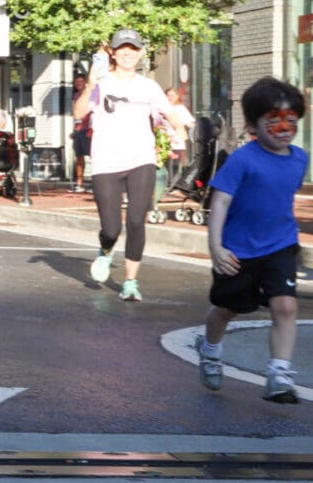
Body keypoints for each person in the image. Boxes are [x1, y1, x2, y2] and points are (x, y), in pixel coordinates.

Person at [194, 78, 310, 401]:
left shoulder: (300, 159)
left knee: (286, 306)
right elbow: (220, 202)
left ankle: (279, 375)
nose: (284, 128)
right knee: (227, 308)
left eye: (291, 120)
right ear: (253, 125)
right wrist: (216, 247)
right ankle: (210, 350)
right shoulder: (243, 160)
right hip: (238, 249)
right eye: (273, 121)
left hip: (281, 245)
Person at [74, 28, 178, 302]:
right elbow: (79, 112)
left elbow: (168, 113)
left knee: (136, 220)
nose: (128, 53)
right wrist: (90, 85)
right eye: (122, 49)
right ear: (113, 53)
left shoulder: (149, 87)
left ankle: (130, 282)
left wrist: (178, 129)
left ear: (141, 53)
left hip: (140, 160)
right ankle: (105, 251)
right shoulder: (102, 83)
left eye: (133, 49)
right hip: (107, 161)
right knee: (111, 229)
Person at [162, 87, 197, 183]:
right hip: (162, 139)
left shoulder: (180, 108)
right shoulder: (160, 107)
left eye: (172, 95)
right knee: (163, 163)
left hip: (176, 140)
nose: (170, 98)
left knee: (174, 164)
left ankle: (172, 184)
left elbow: (190, 122)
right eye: (168, 95)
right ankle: (164, 183)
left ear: (177, 97)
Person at [70, 75, 92, 192]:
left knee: (93, 156)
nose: (78, 84)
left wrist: (91, 129)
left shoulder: (90, 95)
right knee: (79, 157)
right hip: (78, 130)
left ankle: (95, 183)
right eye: (76, 82)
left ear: (85, 83)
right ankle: (80, 183)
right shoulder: (75, 96)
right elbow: (76, 114)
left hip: (88, 129)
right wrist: (74, 130)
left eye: (80, 81)